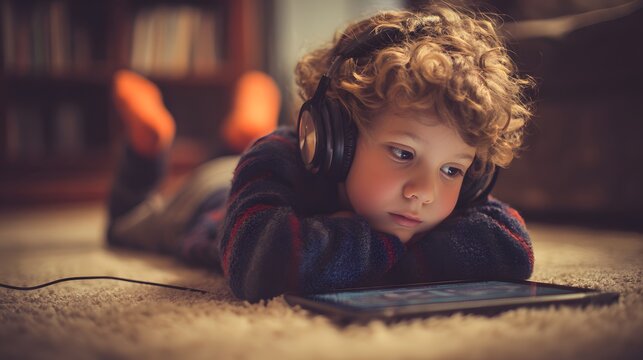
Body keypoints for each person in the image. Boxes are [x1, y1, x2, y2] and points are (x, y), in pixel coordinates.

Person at [106, 4, 534, 303]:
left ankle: (243, 125)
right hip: (207, 198)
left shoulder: (433, 191)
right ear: (335, 137)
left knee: (240, 148)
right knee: (130, 221)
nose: (424, 191)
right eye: (403, 154)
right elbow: (262, 265)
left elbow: (511, 247)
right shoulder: (278, 157)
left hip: (252, 177)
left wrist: (369, 249)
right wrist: (405, 250)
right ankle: (152, 145)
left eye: (452, 170)